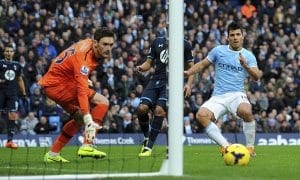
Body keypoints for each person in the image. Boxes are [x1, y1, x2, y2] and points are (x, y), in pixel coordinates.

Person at [184, 22, 261, 157]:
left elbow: (257, 77)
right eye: (232, 35)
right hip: (218, 96)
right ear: (228, 37)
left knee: (246, 111)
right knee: (201, 116)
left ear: (243, 36)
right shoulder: (218, 51)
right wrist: (188, 73)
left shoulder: (248, 56)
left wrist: (246, 66)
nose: (235, 37)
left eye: (238, 34)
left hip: (237, 94)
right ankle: (226, 146)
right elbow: (202, 65)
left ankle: (250, 148)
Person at [38, 27, 115, 162]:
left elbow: (67, 64)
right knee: (103, 102)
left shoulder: (87, 44)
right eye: (105, 44)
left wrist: (82, 78)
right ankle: (87, 144)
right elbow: (81, 91)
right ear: (95, 43)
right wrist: (87, 117)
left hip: (55, 84)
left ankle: (53, 154)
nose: (108, 48)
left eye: (111, 44)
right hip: (59, 86)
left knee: (78, 119)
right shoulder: (83, 57)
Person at [136, 36, 195, 157]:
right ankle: (147, 137)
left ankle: (148, 147)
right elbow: (149, 63)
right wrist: (142, 67)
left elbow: (192, 68)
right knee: (142, 108)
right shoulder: (157, 41)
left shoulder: (185, 44)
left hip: (172, 82)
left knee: (159, 111)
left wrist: (188, 85)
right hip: (155, 80)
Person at [0, 43, 27, 149]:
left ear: (13, 53)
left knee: (12, 114)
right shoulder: (0, 64)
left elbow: (20, 80)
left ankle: (9, 141)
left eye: (11, 51)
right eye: (7, 51)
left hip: (12, 93)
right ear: (4, 53)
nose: (9, 53)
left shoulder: (17, 65)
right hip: (1, 92)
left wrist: (24, 93)